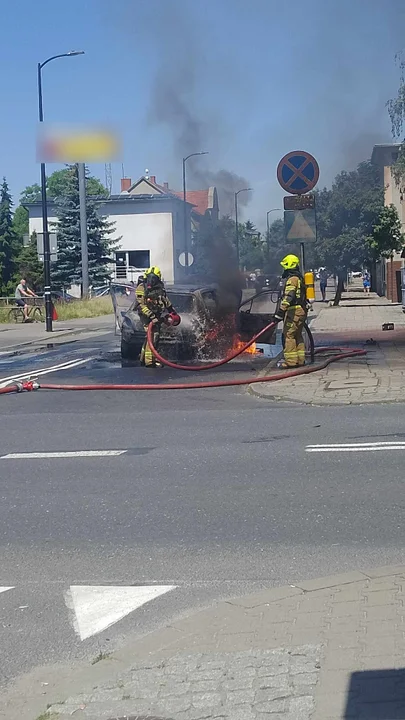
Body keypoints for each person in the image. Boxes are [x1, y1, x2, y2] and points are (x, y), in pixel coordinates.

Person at [135, 266, 180, 367]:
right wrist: (152, 317)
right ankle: (149, 362)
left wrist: (172, 311)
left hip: (156, 316)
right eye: (150, 278)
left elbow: (164, 300)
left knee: (150, 338)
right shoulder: (141, 287)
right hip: (146, 316)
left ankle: (143, 359)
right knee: (152, 336)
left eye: (154, 278)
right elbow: (142, 306)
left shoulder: (159, 288)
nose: (151, 281)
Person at [273, 254, 308, 369]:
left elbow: (289, 296)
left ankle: (291, 362)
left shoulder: (292, 280)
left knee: (289, 335)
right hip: (301, 310)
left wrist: (280, 312)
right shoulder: (299, 278)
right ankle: (300, 360)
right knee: (297, 335)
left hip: (294, 311)